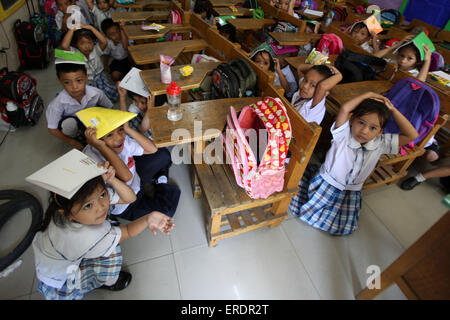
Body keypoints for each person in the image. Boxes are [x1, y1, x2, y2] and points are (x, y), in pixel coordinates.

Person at [32, 161, 175, 300]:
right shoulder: (86, 236)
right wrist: (147, 219)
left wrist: (112, 180)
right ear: (67, 213)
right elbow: (127, 232)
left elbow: (130, 198)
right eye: (87, 206)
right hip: (60, 279)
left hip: (55, 259)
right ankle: (108, 282)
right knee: (112, 254)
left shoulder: (63, 205)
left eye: (102, 194)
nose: (101, 206)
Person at [289, 92, 418, 235]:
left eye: (373, 128)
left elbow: (412, 135)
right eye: (361, 122)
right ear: (352, 120)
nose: (364, 131)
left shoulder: (381, 143)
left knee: (343, 225)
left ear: (380, 131)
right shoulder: (343, 134)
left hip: (351, 191)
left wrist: (392, 110)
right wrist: (368, 94)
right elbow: (344, 109)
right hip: (327, 183)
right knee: (304, 204)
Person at [82, 112, 179, 221]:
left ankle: (159, 179)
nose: (119, 138)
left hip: (136, 179)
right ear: (96, 141)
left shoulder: (121, 140)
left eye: (120, 129)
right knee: (166, 213)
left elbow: (152, 149)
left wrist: (128, 129)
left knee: (163, 155)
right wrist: (101, 146)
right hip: (127, 204)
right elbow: (126, 176)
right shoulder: (92, 159)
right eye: (109, 135)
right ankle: (161, 182)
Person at [46, 62, 113, 150]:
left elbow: (109, 108)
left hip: (91, 118)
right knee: (68, 124)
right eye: (67, 82)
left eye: (79, 80)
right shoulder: (57, 103)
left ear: (86, 78)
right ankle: (77, 136)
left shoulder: (96, 93)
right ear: (59, 81)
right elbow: (52, 128)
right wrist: (72, 142)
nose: (74, 87)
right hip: (74, 121)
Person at [61, 24, 119, 102]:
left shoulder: (96, 50)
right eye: (82, 43)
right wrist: (72, 29)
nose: (87, 46)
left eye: (89, 42)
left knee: (108, 95)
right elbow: (64, 45)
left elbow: (104, 42)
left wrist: (91, 28)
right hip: (86, 81)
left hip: (99, 77)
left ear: (94, 42)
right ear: (76, 45)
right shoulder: (75, 54)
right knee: (86, 100)